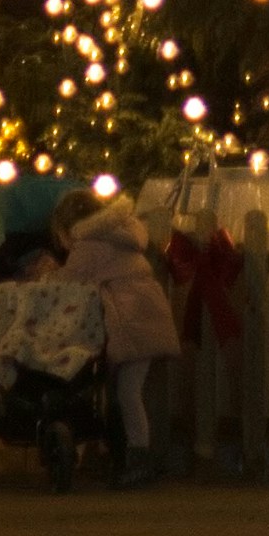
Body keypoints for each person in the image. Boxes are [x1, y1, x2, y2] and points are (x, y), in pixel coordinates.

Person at [50, 189, 180, 489]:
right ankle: (125, 453)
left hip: (128, 317)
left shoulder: (89, 243)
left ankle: (138, 458)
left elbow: (69, 280)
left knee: (127, 392)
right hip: (148, 309)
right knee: (127, 387)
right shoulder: (122, 233)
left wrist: (45, 279)